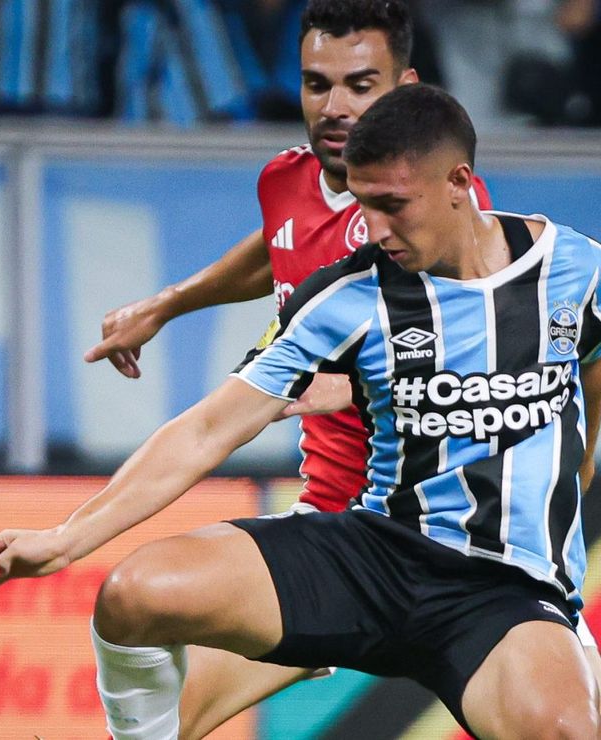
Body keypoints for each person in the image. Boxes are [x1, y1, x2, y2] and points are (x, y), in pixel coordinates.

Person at [0, 82, 601, 739]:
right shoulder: (347, 296)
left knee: (566, 731)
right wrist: (65, 539)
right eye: (363, 205)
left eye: (392, 206)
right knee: (134, 593)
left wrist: (578, 467)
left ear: (458, 182)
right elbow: (210, 427)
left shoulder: (575, 269)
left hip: (499, 592)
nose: (375, 230)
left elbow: (593, 357)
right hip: (370, 558)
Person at [82, 1, 514, 735]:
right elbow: (278, 245)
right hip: (335, 545)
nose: (337, 108)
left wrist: (355, 382)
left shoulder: (442, 210)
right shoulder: (287, 181)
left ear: (406, 88)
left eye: (361, 85)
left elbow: (486, 343)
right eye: (318, 85)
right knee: (159, 718)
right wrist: (169, 304)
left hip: (458, 554)